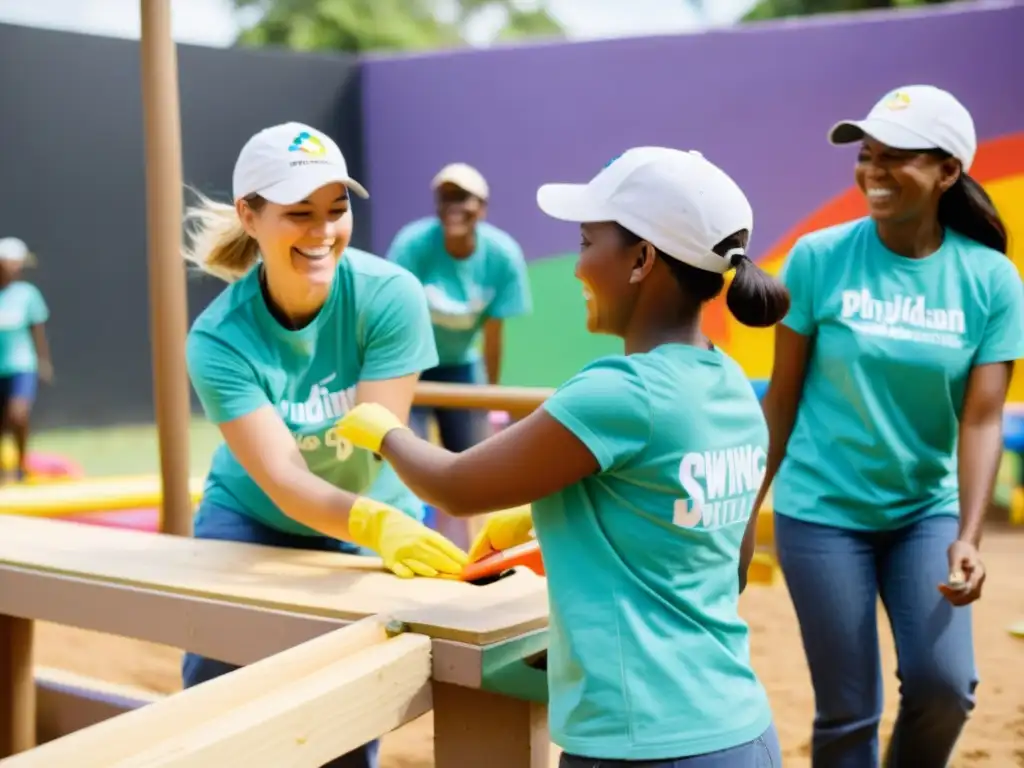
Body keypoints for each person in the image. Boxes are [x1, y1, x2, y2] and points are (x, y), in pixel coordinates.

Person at [337, 147, 790, 767]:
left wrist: (385, 428)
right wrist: (554, 518)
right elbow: (719, 561)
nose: (577, 266)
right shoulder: (730, 382)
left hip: (639, 747)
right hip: (740, 732)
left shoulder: (618, 391)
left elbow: (456, 486)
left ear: (641, 260)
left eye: (585, 242)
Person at [180, 122, 468, 768]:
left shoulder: (389, 296)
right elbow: (282, 475)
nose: (323, 232)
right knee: (217, 706)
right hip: (252, 520)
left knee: (345, 719)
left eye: (337, 211)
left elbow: (375, 442)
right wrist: (377, 521)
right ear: (249, 216)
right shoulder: (219, 338)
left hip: (371, 517)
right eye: (299, 214)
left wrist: (384, 522)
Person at [752, 85, 1024, 768]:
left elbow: (983, 418)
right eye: (867, 155)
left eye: (895, 157)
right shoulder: (817, 258)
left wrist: (968, 536)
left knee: (945, 688)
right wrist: (742, 516)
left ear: (948, 172)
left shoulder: (990, 279)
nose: (872, 170)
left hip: (923, 515)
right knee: (848, 713)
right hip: (821, 512)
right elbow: (781, 399)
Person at [385, 163, 532, 548]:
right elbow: (394, 319)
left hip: (463, 364)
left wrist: (492, 396)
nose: (454, 206)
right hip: (411, 363)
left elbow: (494, 333)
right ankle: (412, 541)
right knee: (407, 457)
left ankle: (474, 553)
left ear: (481, 207)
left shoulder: (501, 255)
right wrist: (397, 383)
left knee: (475, 464)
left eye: (462, 198)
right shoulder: (412, 246)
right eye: (445, 197)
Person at [0, 237, 53, 484]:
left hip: (22, 365)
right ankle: (4, 471)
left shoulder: (27, 295)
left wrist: (43, 361)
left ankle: (21, 466)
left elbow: (37, 331)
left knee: (18, 414)